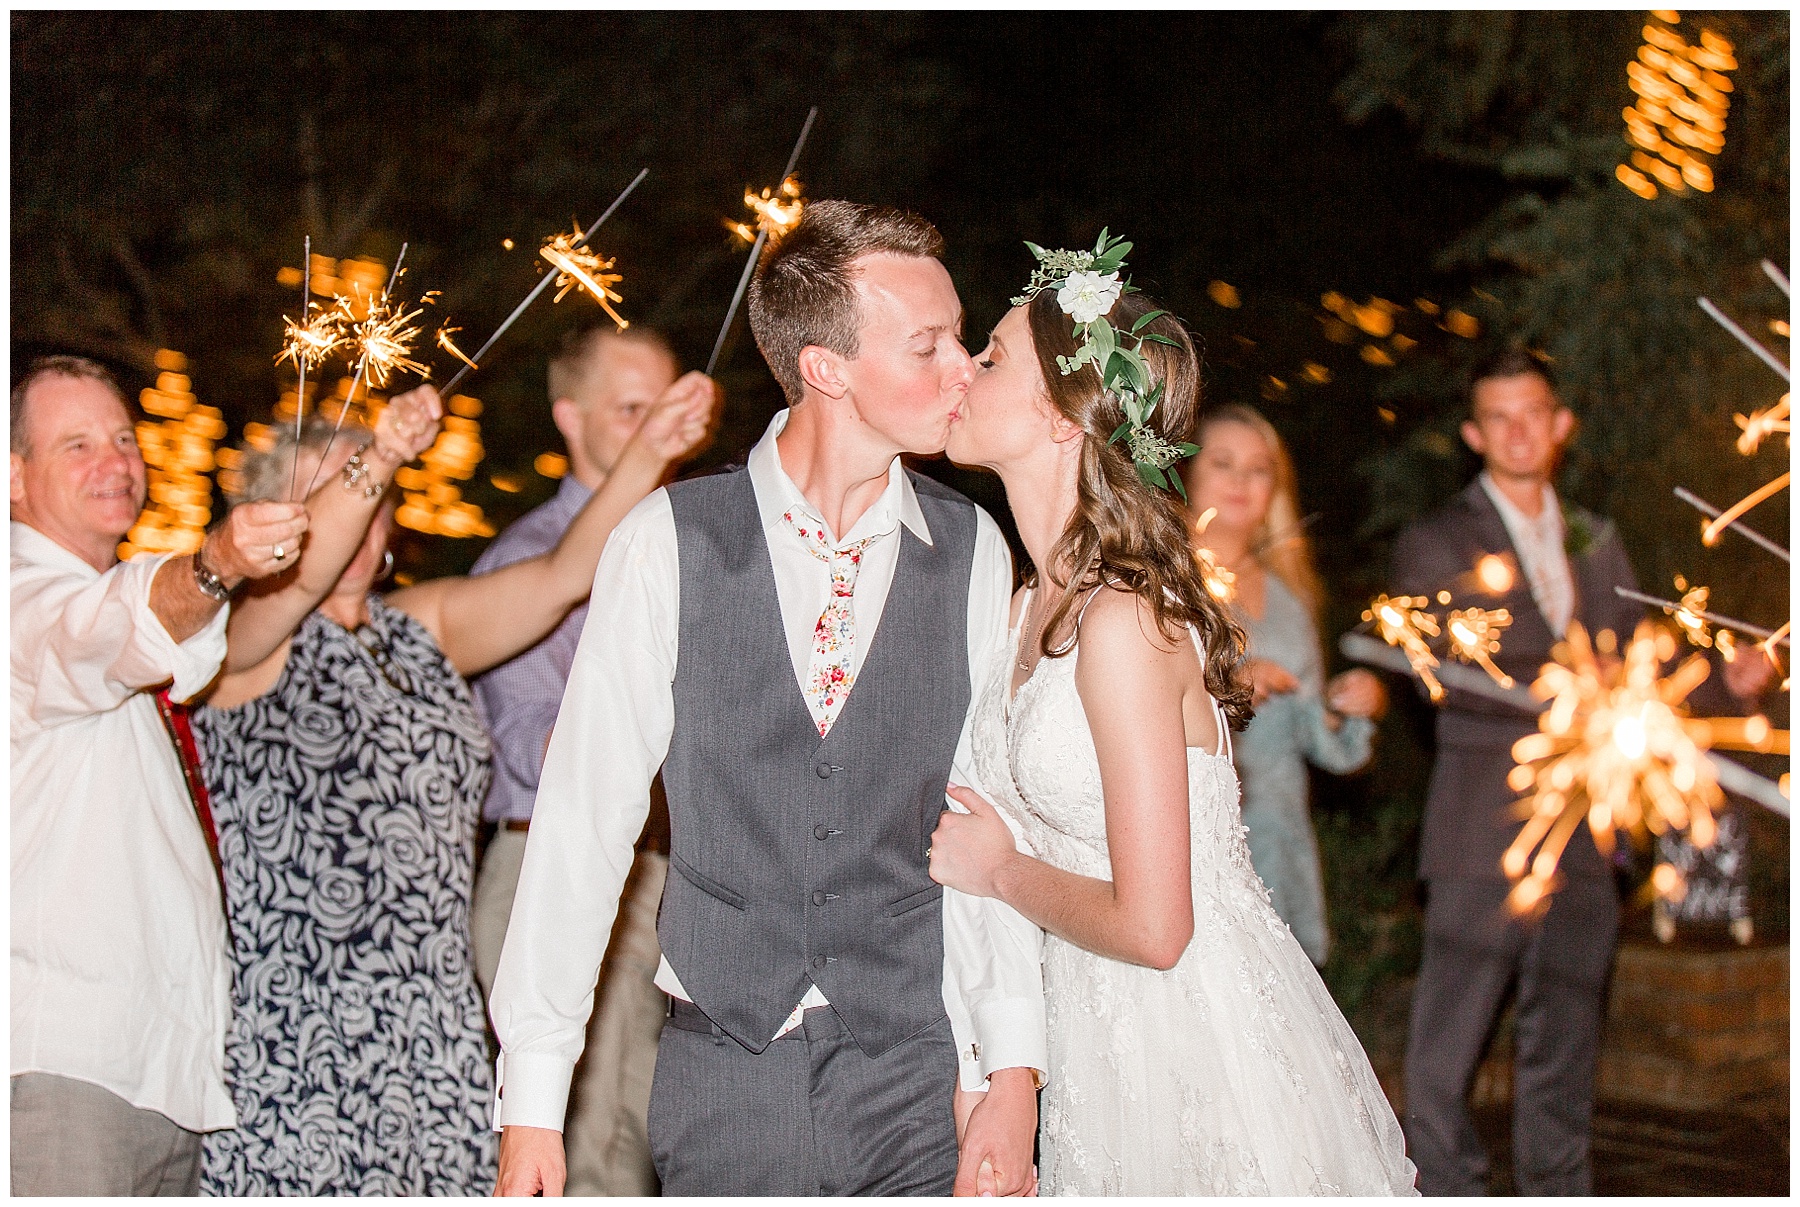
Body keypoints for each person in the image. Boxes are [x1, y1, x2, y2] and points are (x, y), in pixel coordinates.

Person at [491, 201, 1047, 1197]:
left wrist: (1006, 1070)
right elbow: (582, 822)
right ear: (828, 369)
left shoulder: (972, 552)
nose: (965, 365)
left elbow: (981, 821)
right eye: (930, 344)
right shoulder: (668, 542)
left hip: (918, 1069)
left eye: (959, 337)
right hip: (726, 1072)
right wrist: (532, 1099)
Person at [928, 238, 1417, 1195]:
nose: (963, 371)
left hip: (1188, 1036)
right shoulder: (1024, 603)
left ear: (1063, 416)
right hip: (1088, 1032)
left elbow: (1158, 927)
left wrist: (1002, 870)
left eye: (990, 357)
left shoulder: (1123, 622)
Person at [190, 371, 715, 1196]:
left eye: (371, 495)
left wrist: (652, 442)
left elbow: (569, 572)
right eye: (332, 497)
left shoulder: (420, 626)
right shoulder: (239, 648)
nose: (361, 518)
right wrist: (384, 450)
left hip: (432, 1012)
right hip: (297, 1020)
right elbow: (281, 596)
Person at [1390, 347, 1771, 1195]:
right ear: (1474, 433)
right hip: (1481, 829)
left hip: (1585, 836)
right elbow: (1454, 675)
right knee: (1445, 1057)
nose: (1519, 430)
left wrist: (1719, 678)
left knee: (1565, 1047)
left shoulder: (1597, 536)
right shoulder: (1437, 540)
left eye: (1535, 412)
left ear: (1561, 425)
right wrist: (1577, 690)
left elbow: (1635, 660)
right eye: (1500, 416)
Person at [11, 355, 303, 1196]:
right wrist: (215, 563)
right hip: (63, 1067)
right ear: (14, 477)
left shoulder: (87, 602)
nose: (116, 462)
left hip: (155, 1069)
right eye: (76, 445)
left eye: (123, 439)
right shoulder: (24, 602)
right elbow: (106, 625)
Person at [469, 323, 707, 1196]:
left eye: (669, 405)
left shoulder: (695, 546)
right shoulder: (527, 558)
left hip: (661, 869)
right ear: (569, 417)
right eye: (631, 410)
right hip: (547, 860)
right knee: (565, 1126)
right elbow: (538, 745)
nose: (658, 430)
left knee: (640, 1126)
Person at [1185, 404, 1387, 965]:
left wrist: (1354, 708)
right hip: (1193, 844)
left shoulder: (1292, 598)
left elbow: (1324, 746)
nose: (1243, 482)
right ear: (1187, 474)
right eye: (1223, 463)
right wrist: (1224, 691)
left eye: (1259, 469)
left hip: (1278, 840)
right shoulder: (1161, 583)